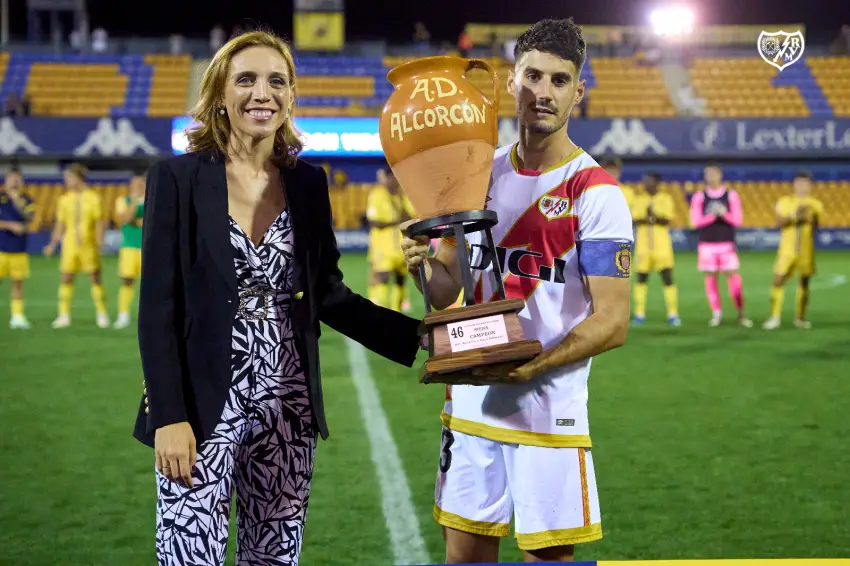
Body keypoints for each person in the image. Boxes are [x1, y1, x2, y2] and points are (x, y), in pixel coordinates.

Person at [132, 30, 423, 566]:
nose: (261, 93)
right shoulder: (175, 179)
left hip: (289, 405)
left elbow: (329, 294)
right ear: (220, 93)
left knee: (273, 558)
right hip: (200, 409)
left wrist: (420, 335)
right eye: (246, 80)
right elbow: (156, 309)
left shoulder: (308, 183)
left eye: (276, 81)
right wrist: (166, 415)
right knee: (187, 556)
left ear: (290, 96)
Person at [402, 18, 632, 563]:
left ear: (579, 91)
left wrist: (533, 366)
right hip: (471, 403)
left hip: (548, 413)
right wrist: (419, 266)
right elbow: (444, 290)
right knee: (463, 559)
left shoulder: (597, 194)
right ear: (512, 82)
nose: (543, 92)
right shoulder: (478, 174)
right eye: (532, 76)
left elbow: (612, 321)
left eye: (559, 80)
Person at [43, 163, 109, 329]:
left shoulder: (93, 197)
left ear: (78, 178)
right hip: (70, 244)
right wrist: (53, 243)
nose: (66, 181)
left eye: (69, 178)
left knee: (95, 277)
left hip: (88, 243)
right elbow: (60, 224)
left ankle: (102, 314)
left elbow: (100, 221)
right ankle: (63, 315)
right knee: (66, 277)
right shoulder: (64, 199)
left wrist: (100, 240)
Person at [688, 164, 753, 328]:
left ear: (720, 175)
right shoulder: (699, 197)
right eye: (707, 174)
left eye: (713, 173)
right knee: (710, 278)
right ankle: (716, 314)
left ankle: (741, 312)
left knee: (733, 277)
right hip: (707, 244)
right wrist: (712, 216)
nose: (710, 176)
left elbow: (737, 221)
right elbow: (695, 222)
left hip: (726, 243)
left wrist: (724, 214)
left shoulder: (731, 195)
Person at [763, 170, 824, 330]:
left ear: (810, 186)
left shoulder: (815, 204)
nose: (802, 186)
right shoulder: (785, 201)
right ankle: (775, 317)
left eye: (806, 183)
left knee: (804, 282)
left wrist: (812, 218)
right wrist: (796, 215)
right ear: (794, 185)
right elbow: (780, 222)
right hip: (787, 249)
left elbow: (816, 225)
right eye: (799, 183)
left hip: (806, 249)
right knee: (778, 280)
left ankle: (800, 318)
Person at [630, 172, 680, 326]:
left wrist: (652, 216)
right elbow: (635, 220)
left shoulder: (665, 199)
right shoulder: (638, 199)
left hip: (662, 246)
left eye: (649, 181)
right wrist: (649, 218)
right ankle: (639, 313)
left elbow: (666, 220)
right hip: (643, 247)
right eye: (644, 181)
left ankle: (673, 314)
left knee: (667, 278)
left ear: (657, 183)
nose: (645, 184)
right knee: (641, 279)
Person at [366, 167, 414, 312]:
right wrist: (396, 221)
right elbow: (374, 222)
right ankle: (381, 313)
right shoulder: (376, 195)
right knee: (383, 277)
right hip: (382, 247)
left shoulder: (404, 196)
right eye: (390, 178)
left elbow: (410, 218)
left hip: (401, 246)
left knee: (400, 279)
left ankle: (396, 312)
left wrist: (398, 198)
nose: (393, 181)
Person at [0, 167, 35, 329]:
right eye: (11, 178)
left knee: (17, 283)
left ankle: (17, 316)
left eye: (17, 179)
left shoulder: (27, 201)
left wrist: (16, 202)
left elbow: (29, 220)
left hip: (19, 249)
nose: (14, 181)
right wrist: (9, 225)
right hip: (1, 248)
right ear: (5, 180)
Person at [113, 168, 146, 329]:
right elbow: (125, 219)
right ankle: (123, 315)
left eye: (140, 183)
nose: (137, 186)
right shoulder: (123, 200)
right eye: (134, 183)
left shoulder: (153, 200)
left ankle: (149, 318)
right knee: (127, 281)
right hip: (129, 247)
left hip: (149, 248)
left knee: (150, 285)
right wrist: (134, 201)